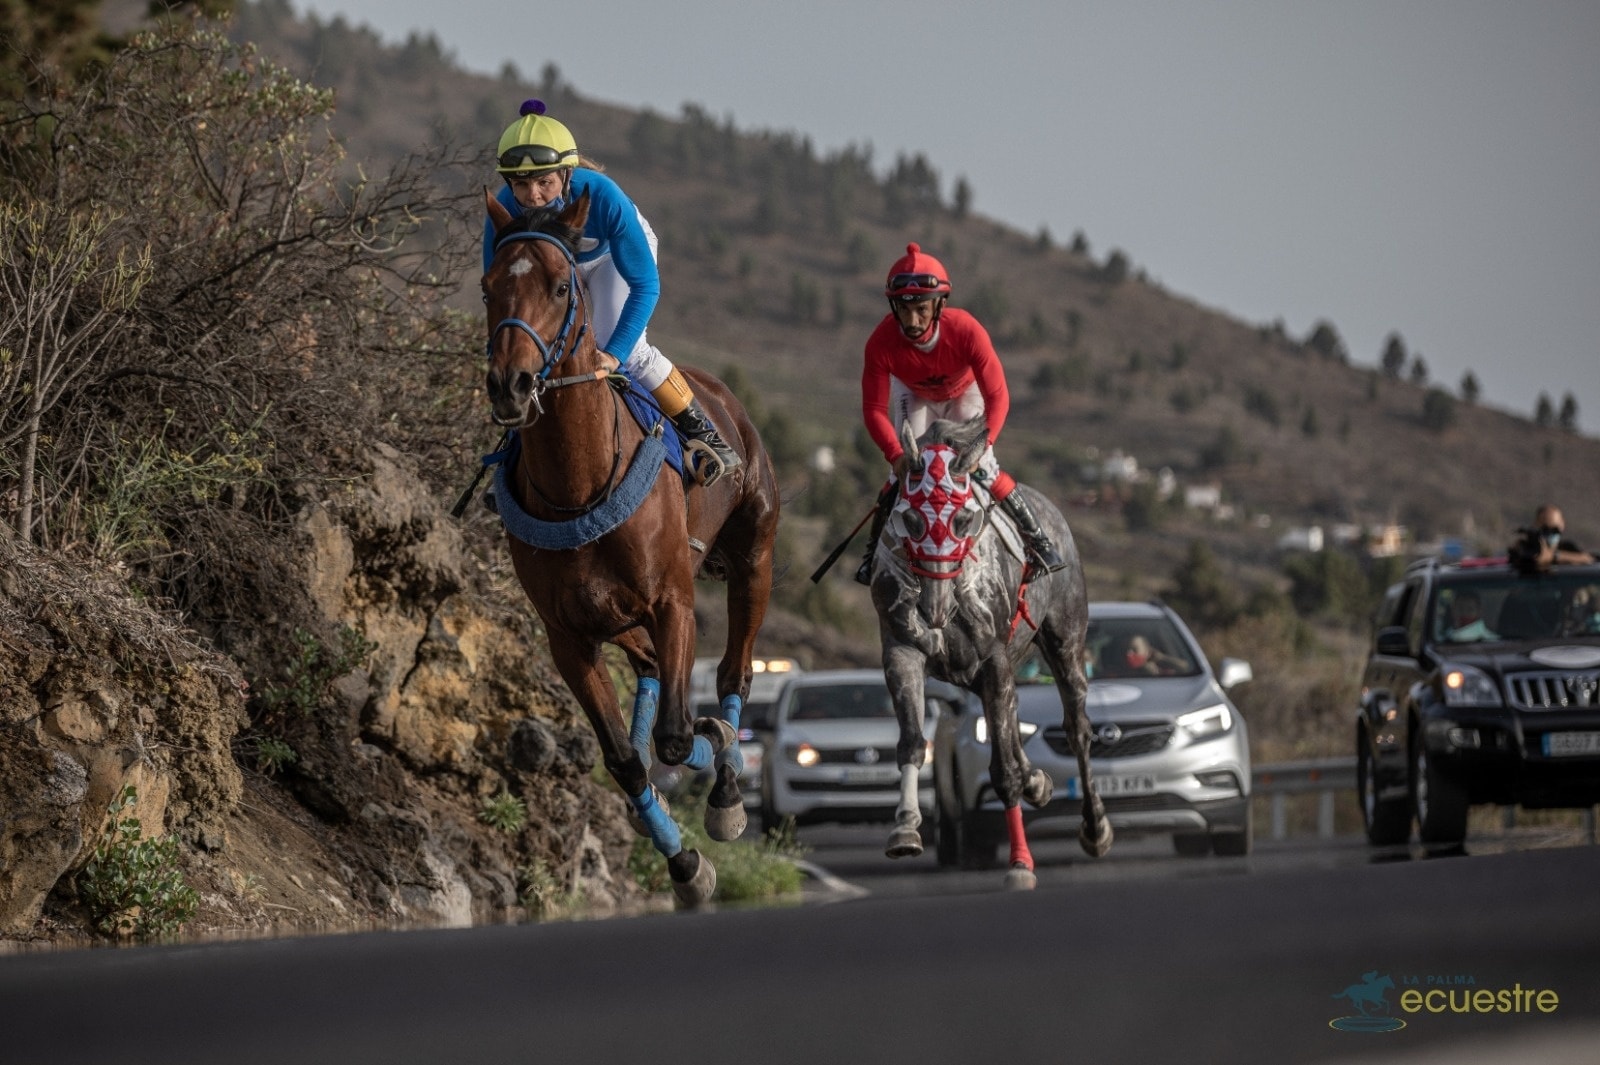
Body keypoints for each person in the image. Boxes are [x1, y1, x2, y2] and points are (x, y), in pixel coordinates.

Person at [484, 99, 739, 486]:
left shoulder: (603, 197)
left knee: (618, 346)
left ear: (567, 175)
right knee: (540, 352)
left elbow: (646, 286)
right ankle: (518, 455)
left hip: (609, 261)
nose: (532, 196)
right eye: (520, 184)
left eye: (544, 182)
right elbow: (498, 290)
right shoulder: (503, 211)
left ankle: (702, 432)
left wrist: (614, 355)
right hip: (554, 269)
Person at [854, 243, 1065, 584]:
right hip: (915, 395)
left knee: (982, 466)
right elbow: (874, 409)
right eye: (903, 310)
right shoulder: (880, 342)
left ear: (940, 304)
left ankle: (1037, 541)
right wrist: (895, 455)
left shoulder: (966, 330)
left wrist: (985, 444)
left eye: (921, 309)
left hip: (964, 394)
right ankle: (872, 555)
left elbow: (998, 397)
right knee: (905, 473)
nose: (911, 321)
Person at [1507, 504, 1593, 574]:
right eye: (1545, 529)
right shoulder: (1526, 547)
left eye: (1555, 529)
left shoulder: (1567, 547)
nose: (1550, 533)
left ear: (1562, 525)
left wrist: (1553, 556)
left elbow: (1588, 559)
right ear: (1536, 525)